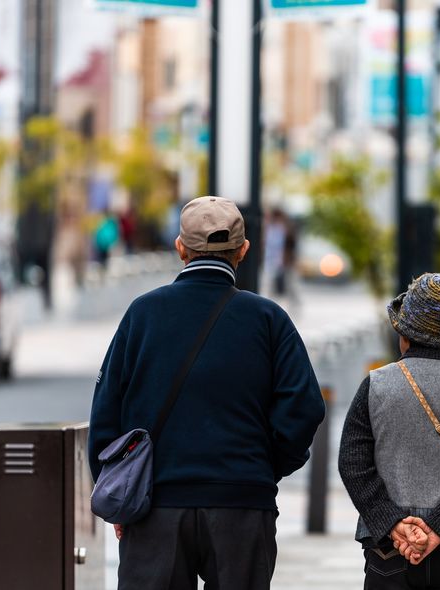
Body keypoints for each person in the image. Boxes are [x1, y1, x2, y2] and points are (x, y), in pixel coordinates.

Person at [88, 196, 326, 590]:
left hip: (156, 506)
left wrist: (117, 488)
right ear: (243, 250)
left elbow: (106, 412)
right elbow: (305, 408)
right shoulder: (269, 319)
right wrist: (264, 467)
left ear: (180, 248)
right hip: (242, 504)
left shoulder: (143, 315)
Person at [339, 273, 440, 590]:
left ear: (404, 333)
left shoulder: (375, 386)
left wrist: (392, 523)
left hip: (390, 550)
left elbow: (353, 463)